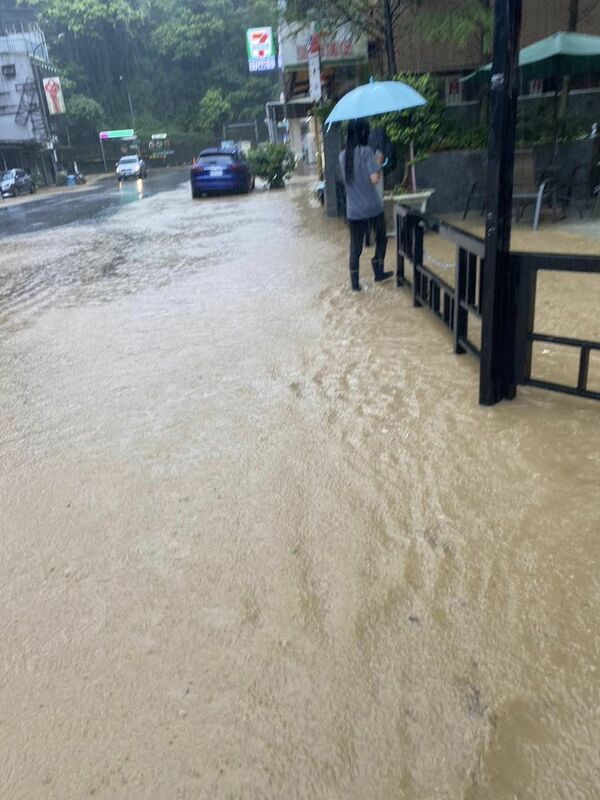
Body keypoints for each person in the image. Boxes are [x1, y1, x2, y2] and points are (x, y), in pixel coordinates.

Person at [339, 118, 393, 291]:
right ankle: (378, 272)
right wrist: (378, 164)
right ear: (363, 133)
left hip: (353, 210)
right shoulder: (366, 152)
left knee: (355, 247)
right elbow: (374, 179)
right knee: (381, 238)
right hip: (372, 208)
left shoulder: (342, 156)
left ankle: (355, 285)